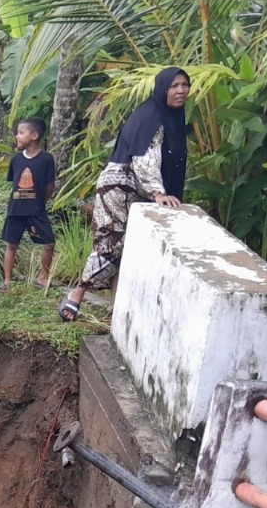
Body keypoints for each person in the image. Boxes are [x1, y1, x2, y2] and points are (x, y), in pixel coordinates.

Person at [60, 66, 191, 322]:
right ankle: (77, 293)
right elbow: (144, 158)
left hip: (137, 190)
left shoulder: (173, 118)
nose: (180, 91)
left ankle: (115, 303)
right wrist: (157, 193)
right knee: (111, 243)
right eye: (174, 86)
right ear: (163, 88)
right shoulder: (150, 116)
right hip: (119, 187)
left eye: (185, 85)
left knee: (126, 248)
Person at [0, 117, 56, 291]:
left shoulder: (46, 159)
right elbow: (14, 183)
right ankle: (7, 281)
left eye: (21, 132)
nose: (17, 136)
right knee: (11, 244)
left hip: (36, 210)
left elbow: (50, 185)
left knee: (49, 244)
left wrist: (40, 202)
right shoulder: (16, 159)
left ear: (34, 135)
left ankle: (42, 277)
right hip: (16, 209)